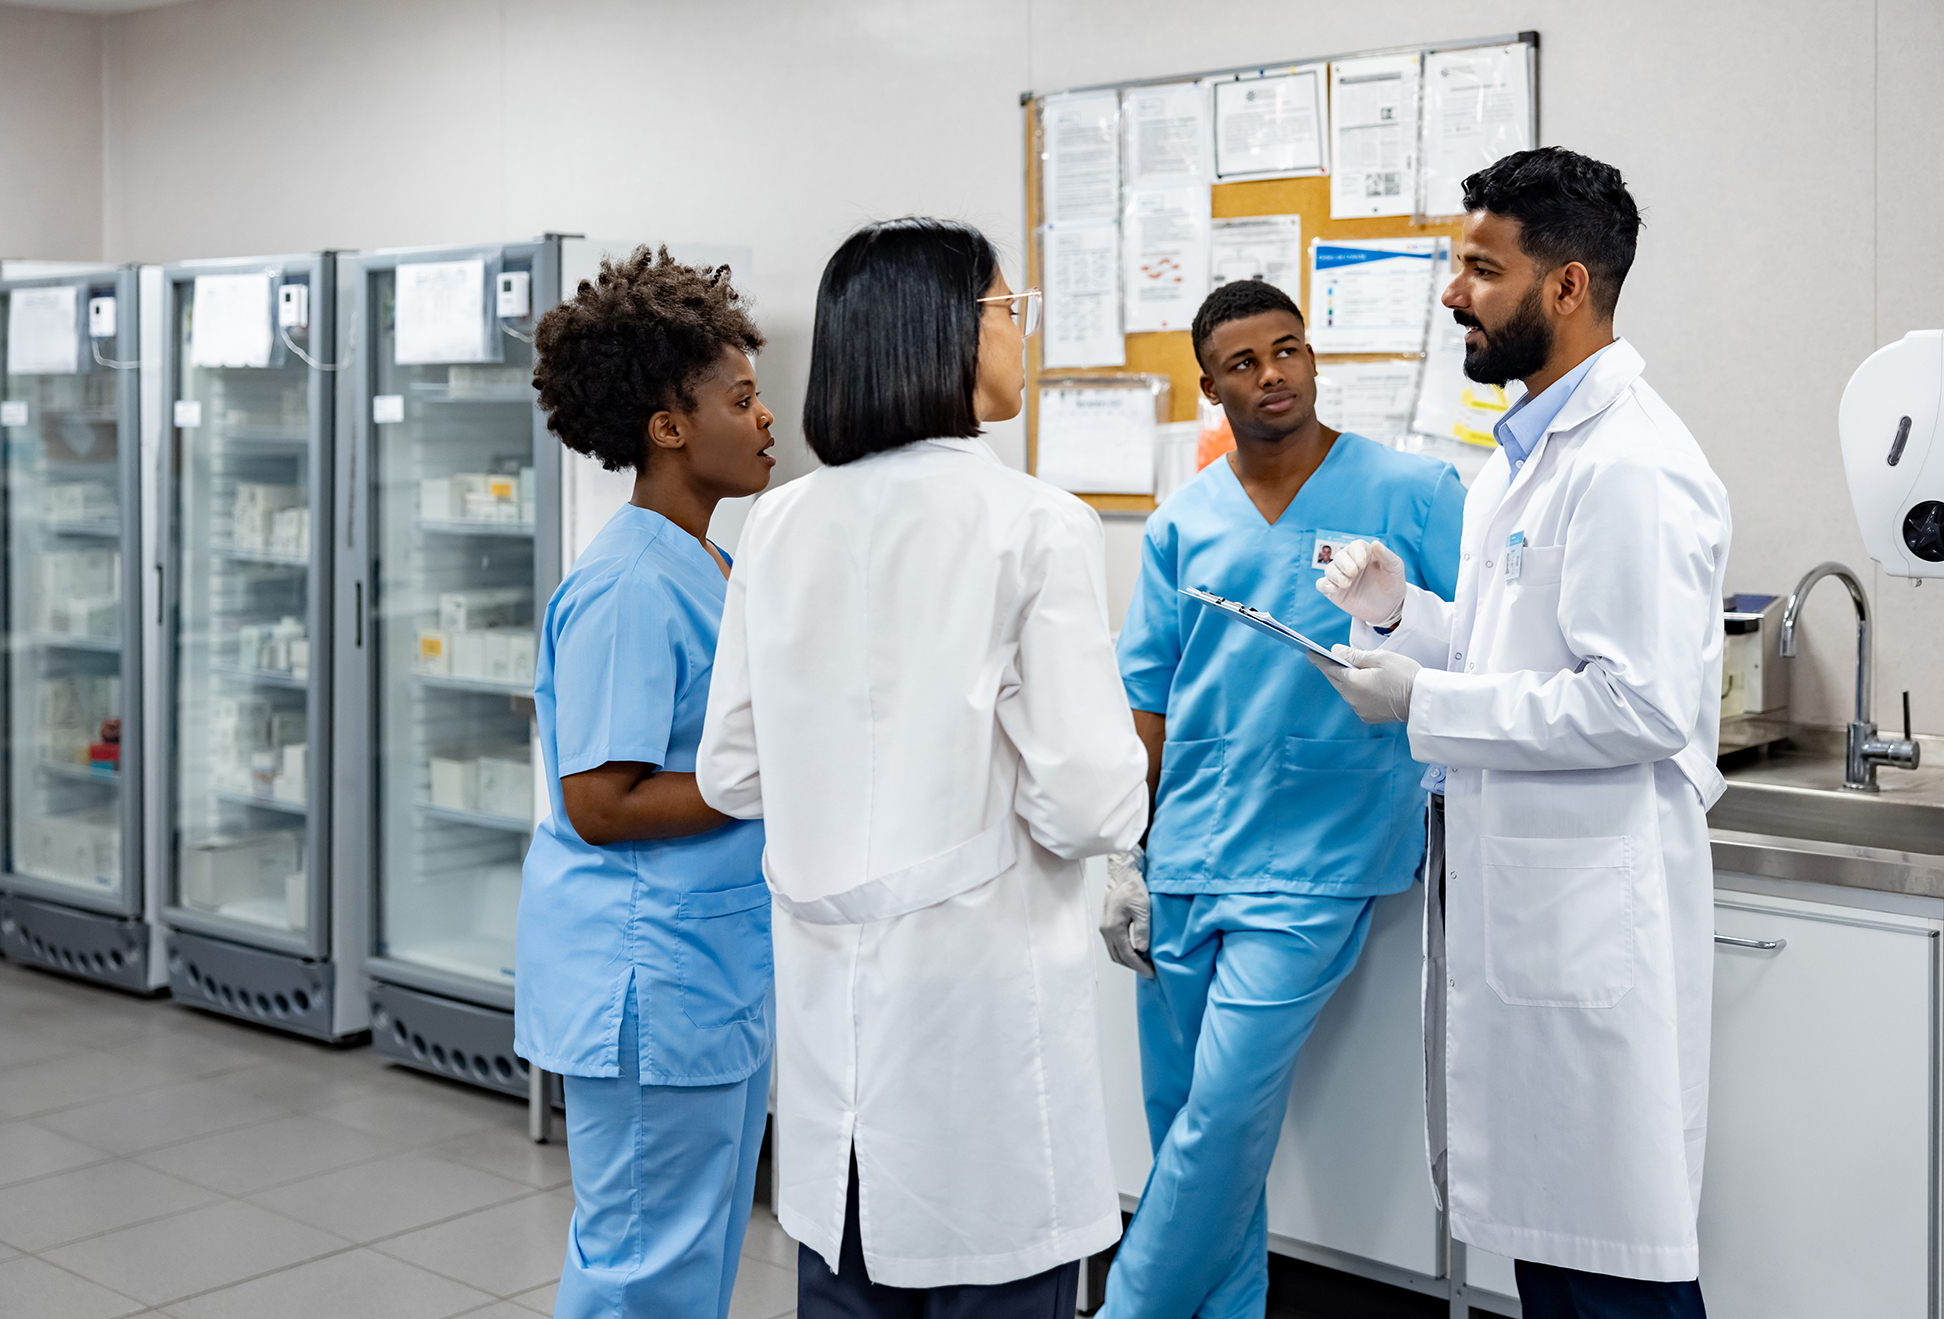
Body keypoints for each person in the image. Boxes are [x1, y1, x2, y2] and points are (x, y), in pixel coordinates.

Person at [696, 217, 1148, 1316]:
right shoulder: (1034, 521)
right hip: (982, 1047)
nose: (1020, 333)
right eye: (1007, 309)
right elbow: (1089, 801)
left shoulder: (780, 523)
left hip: (827, 1061)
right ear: (943, 330)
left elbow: (730, 773)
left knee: (846, 1275)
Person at [1312, 148, 1730, 1319]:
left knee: (1613, 1279)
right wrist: (1402, 614)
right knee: (1558, 1268)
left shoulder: (1631, 465)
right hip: (1529, 914)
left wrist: (1422, 702)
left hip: (1587, 925)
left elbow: (1636, 703)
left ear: (1566, 286)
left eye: (1477, 269)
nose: (1451, 292)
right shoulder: (1525, 452)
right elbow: (1522, 662)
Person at [1098, 279, 1466, 1319]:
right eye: (1245, 362)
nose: (1273, 376)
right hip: (1186, 855)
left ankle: (1127, 1307)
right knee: (1188, 1128)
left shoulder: (1412, 492)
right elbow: (1148, 699)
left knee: (1219, 1117)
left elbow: (1480, 642)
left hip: (1318, 855)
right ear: (1208, 382)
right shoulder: (1183, 523)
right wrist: (1128, 853)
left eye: (1289, 350)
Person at [513, 247, 779, 1319]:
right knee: (639, 1267)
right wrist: (772, 775)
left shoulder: (707, 558)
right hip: (647, 982)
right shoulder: (628, 582)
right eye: (742, 399)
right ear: (669, 425)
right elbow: (601, 800)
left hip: (704, 969)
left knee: (695, 1254)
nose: (766, 420)